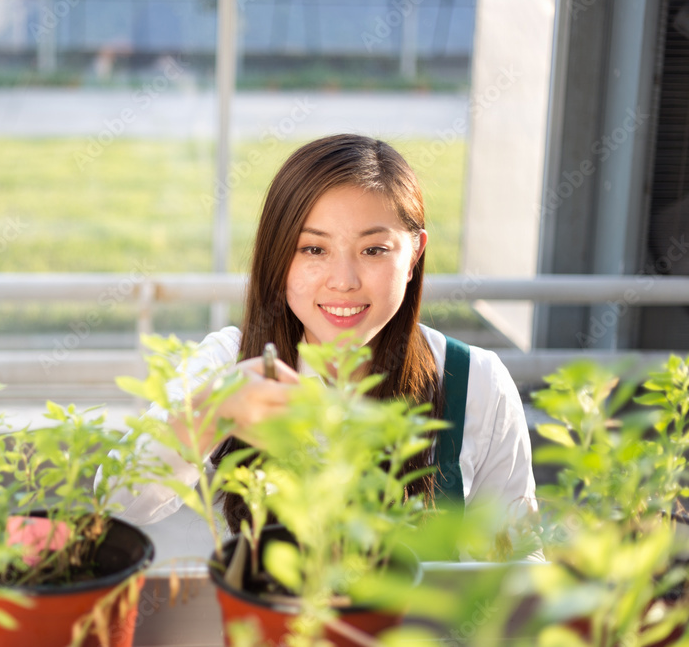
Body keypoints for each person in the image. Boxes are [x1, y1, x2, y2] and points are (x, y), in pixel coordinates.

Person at [110, 134, 538, 546]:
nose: (344, 281)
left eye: (374, 250)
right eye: (314, 250)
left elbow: (519, 557)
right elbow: (114, 501)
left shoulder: (474, 381)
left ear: (414, 256)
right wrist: (215, 410)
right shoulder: (230, 362)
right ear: (278, 256)